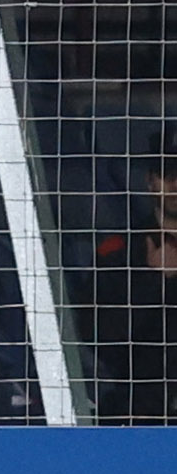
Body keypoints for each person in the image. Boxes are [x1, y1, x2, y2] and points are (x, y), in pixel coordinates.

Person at [86, 153, 177, 422]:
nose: (175, 184)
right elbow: (101, 334)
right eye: (167, 175)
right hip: (141, 406)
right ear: (150, 181)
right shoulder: (118, 251)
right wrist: (157, 280)